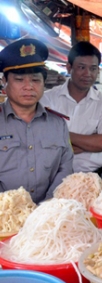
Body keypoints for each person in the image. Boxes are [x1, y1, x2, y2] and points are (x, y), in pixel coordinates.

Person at [0, 39, 73, 203]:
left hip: (48, 215)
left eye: (35, 80)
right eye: (19, 80)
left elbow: (65, 168)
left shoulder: (58, 124)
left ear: (43, 83)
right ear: (4, 82)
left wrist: (46, 206)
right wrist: (9, 209)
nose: (29, 86)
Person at [40, 42, 102, 177]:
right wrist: (89, 141)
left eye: (93, 69)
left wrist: (62, 137)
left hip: (93, 177)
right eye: (82, 67)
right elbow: (40, 138)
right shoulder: (47, 99)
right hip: (52, 178)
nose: (88, 74)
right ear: (69, 67)